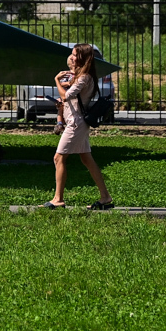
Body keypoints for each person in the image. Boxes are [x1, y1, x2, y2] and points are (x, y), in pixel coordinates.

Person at [42, 43, 113, 210]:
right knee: (87, 159)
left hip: (76, 124)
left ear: (82, 57)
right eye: (72, 54)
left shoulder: (84, 78)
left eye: (75, 55)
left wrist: (56, 80)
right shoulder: (80, 76)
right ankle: (105, 196)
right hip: (76, 122)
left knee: (58, 158)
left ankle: (58, 199)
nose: (72, 57)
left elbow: (67, 95)